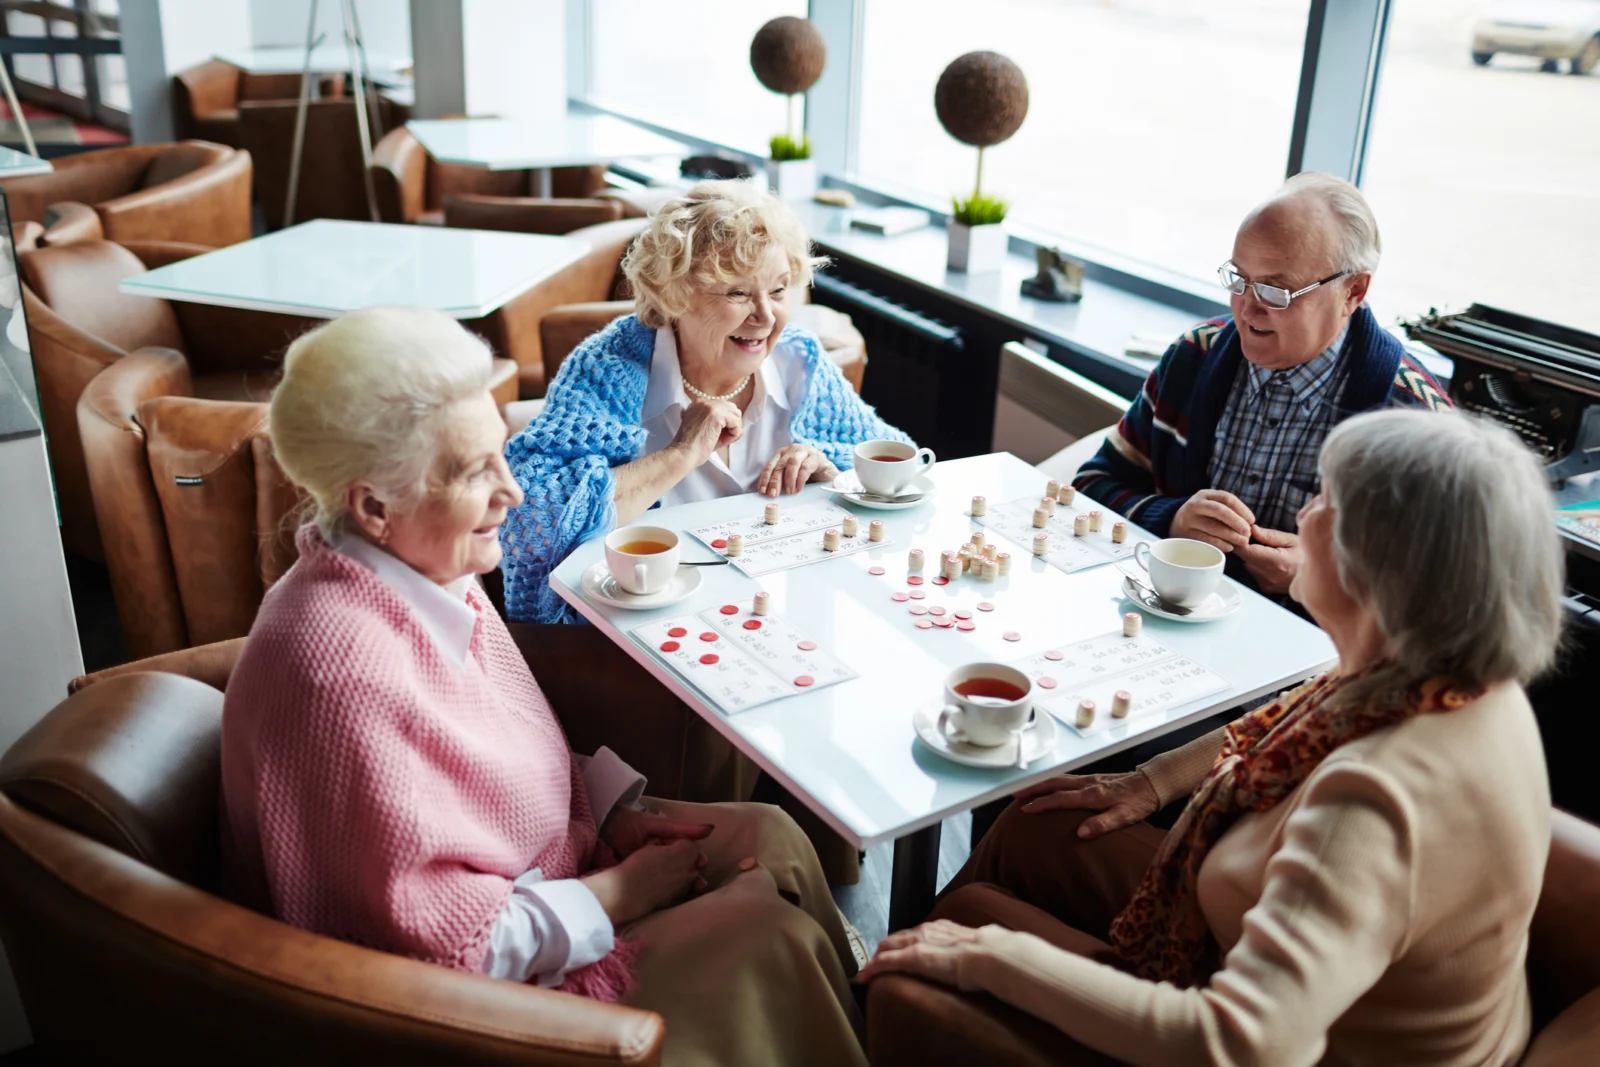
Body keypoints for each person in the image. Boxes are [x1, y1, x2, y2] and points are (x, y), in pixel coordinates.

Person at [221, 307, 866, 1067]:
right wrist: (625, 892)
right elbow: (446, 950)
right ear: (373, 504)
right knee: (768, 930)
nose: (515, 493)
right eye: (474, 472)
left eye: (503, 456)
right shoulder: (338, 668)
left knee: (774, 834)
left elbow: (501, 763)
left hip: (542, 874)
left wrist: (611, 818)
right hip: (464, 1004)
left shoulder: (422, 568)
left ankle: (858, 1019)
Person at [861, 409, 1563, 1066]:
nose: (1304, 513)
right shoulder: (1443, 680)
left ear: (1375, 573)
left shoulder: (1373, 802)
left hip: (1287, 1041)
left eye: (1326, 503)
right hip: (1262, 948)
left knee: (966, 926)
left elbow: (1238, 1044)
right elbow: (1293, 712)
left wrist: (988, 958)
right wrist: (1152, 779)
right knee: (1038, 822)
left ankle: (887, 1002)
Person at [500, 178, 910, 625]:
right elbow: (527, 526)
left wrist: (832, 478)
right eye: (737, 292)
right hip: (648, 633)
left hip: (782, 615)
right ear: (673, 295)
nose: (766, 316)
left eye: (778, 290)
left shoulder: (800, 363)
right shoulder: (606, 370)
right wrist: (680, 454)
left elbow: (897, 481)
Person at [1073, 172, 1450, 596]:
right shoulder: (1193, 356)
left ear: (1353, 291)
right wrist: (1172, 520)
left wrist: (1321, 579)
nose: (1248, 309)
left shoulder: (1418, 422)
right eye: (1238, 279)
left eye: (1277, 291)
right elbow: (1092, 484)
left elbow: (1443, 601)